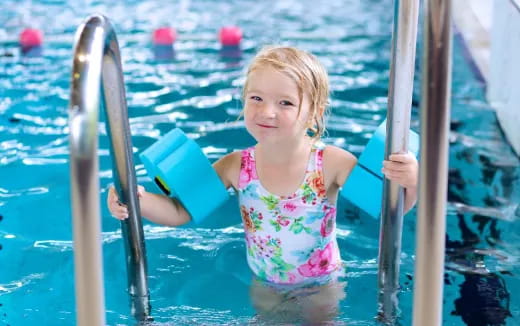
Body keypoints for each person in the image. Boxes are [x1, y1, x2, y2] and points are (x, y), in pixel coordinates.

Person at [108, 46, 419, 324]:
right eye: (256, 98)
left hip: (322, 283)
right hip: (266, 282)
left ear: (313, 113)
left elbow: (391, 209)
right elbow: (181, 211)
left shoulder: (331, 163)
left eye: (285, 102)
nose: (267, 112)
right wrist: (137, 200)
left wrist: (411, 182)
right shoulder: (236, 166)